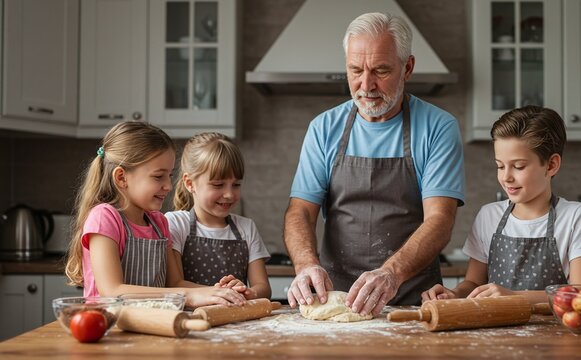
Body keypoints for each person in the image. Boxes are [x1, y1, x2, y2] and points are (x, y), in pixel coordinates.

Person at [284, 12, 465, 316]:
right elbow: (300, 211)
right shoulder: (323, 127)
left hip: (412, 305)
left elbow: (440, 221)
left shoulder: (438, 127)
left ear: (407, 68)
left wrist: (391, 273)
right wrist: (305, 265)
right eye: (355, 70)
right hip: (336, 301)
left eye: (380, 70)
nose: (365, 84)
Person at [422, 106, 581, 304]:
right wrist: (455, 294)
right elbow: (474, 282)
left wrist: (514, 296)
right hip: (496, 332)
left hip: (556, 332)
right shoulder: (488, 216)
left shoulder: (576, 216)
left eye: (519, 166)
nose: (506, 177)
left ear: (551, 165)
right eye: (500, 166)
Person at [65, 121, 246, 308]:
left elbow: (175, 284)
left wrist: (214, 293)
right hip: (110, 328)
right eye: (159, 176)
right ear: (121, 177)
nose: (168, 185)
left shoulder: (159, 223)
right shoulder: (105, 218)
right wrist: (189, 296)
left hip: (153, 325)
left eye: (169, 175)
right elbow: (112, 290)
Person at [165, 132, 271, 300]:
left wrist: (248, 292)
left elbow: (263, 287)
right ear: (190, 183)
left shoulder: (246, 227)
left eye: (236, 185)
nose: (229, 194)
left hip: (237, 320)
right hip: (192, 319)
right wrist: (222, 292)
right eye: (218, 185)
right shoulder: (176, 224)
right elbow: (175, 284)